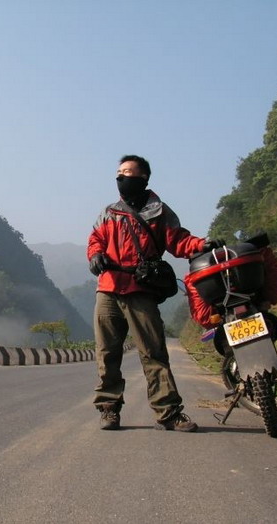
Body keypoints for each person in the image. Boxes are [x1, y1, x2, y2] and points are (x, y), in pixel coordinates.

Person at [87, 154, 218, 432]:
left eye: (128, 172)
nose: (122, 177)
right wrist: (96, 254)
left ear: (143, 178)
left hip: (140, 289)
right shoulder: (109, 212)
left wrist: (201, 245)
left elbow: (178, 239)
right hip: (108, 289)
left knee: (153, 353)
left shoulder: (159, 212)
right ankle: (109, 409)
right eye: (119, 173)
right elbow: (95, 238)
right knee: (107, 353)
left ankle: (168, 412)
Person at [185, 240, 277, 330]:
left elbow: (204, 318)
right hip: (260, 306)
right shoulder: (261, 288)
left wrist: (201, 245)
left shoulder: (197, 282)